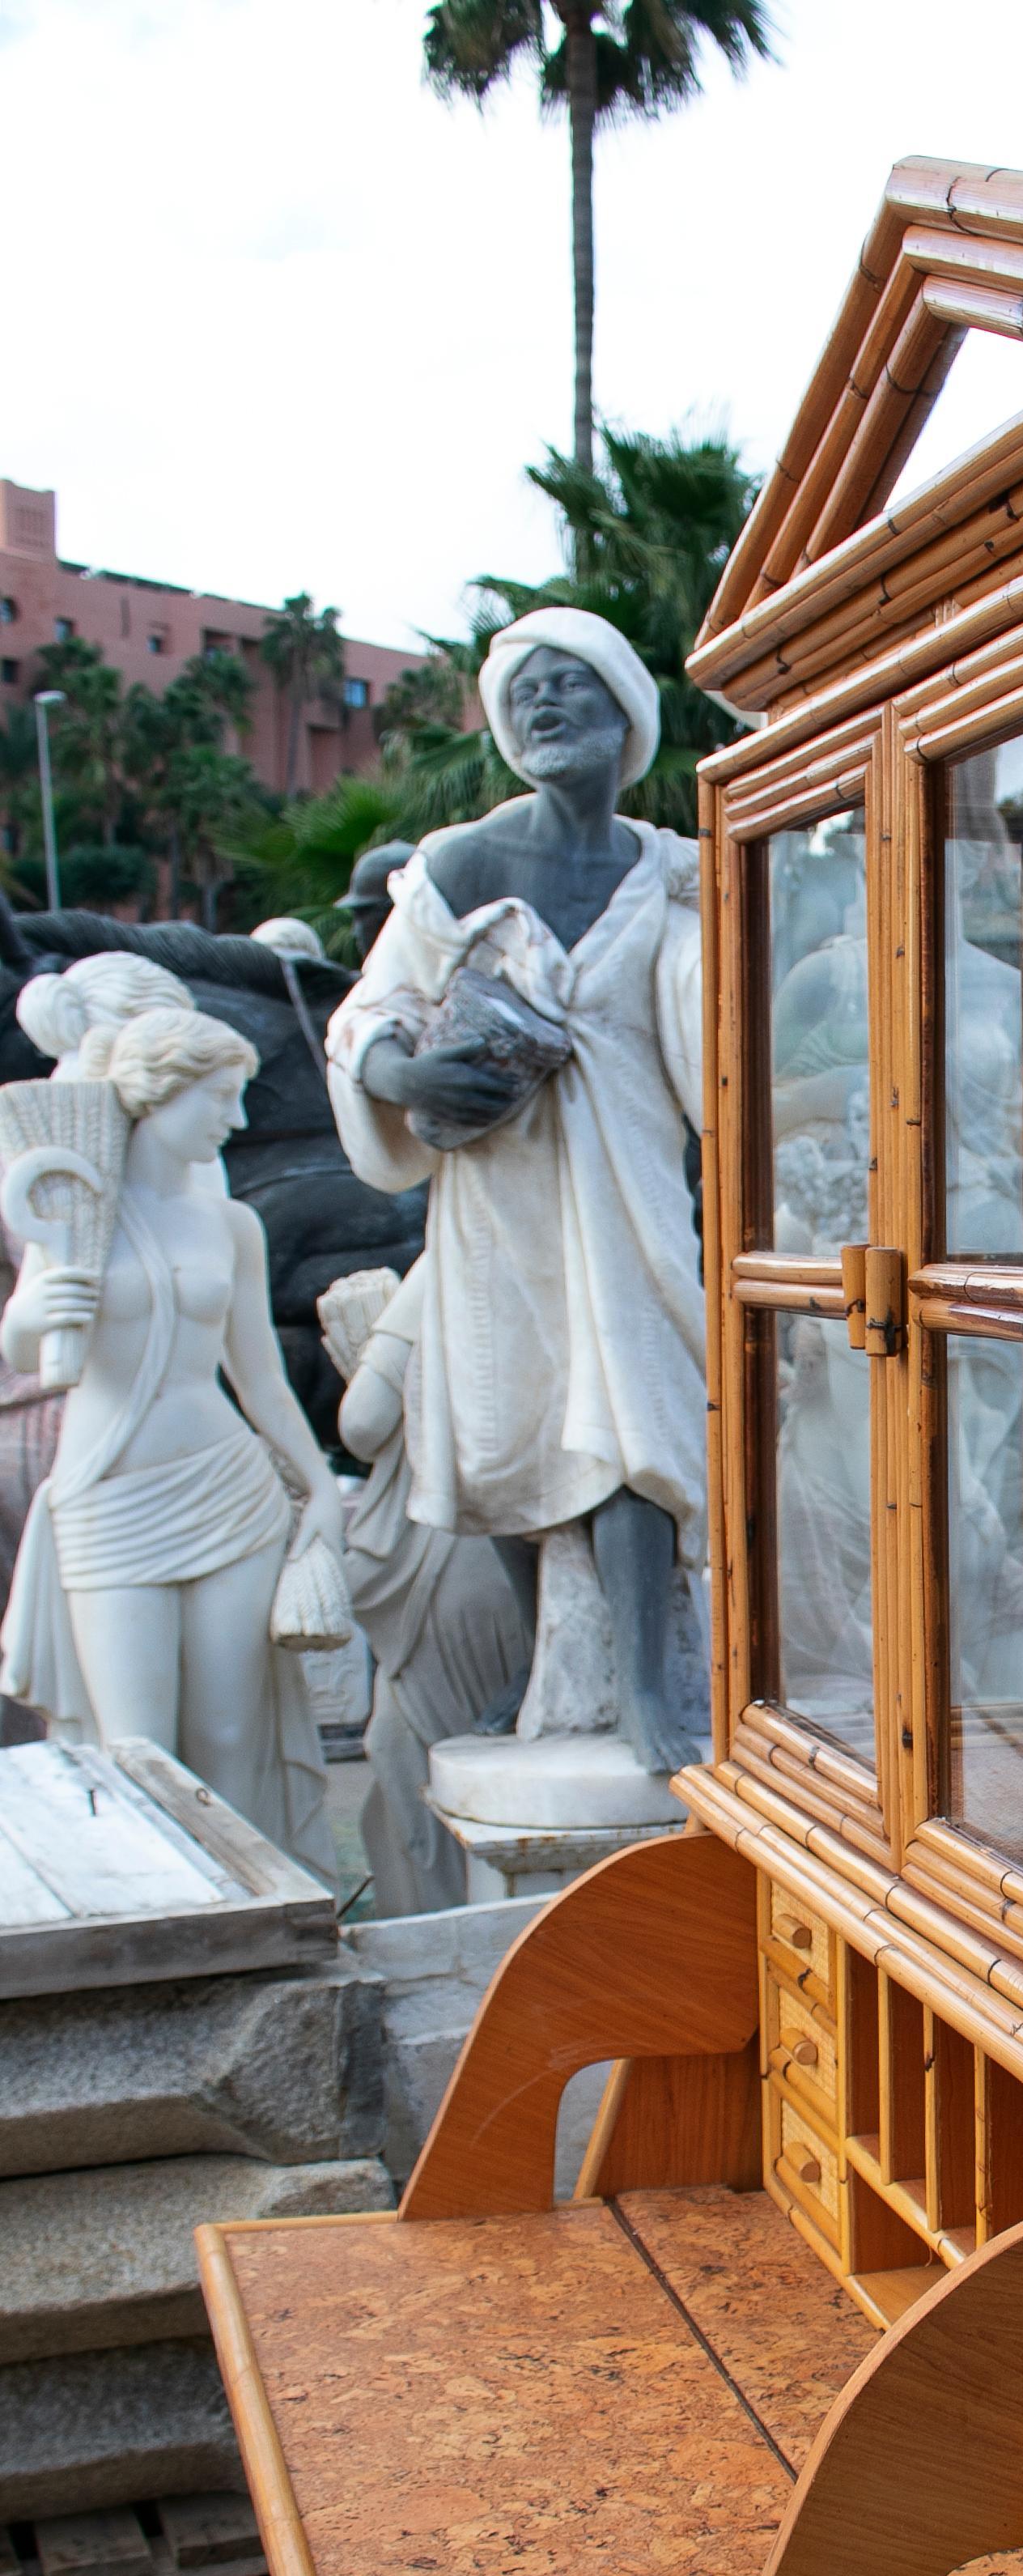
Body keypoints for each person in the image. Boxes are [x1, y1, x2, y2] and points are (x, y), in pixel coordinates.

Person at [325, 610, 707, 1777]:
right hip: (499, 1188)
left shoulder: (669, 866)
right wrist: (407, 1072)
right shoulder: (460, 864)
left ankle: (644, 1687)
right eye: (525, 690)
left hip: (629, 1179)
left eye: (571, 686)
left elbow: (709, 1027)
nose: (545, 706)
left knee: (632, 1404)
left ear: (626, 714)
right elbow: (369, 1017)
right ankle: (548, 1663)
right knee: (507, 1422)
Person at [0, 1009, 341, 1877]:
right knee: (136, 1743)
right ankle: (158, 1906)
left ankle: (246, 1911)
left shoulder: (230, 1225)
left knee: (232, 1733)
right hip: (108, 1492)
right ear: (156, 1094)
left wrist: (321, 1489)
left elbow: (259, 1378)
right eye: (219, 1098)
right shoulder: (73, 1210)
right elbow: (23, 1348)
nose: (235, 1121)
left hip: (228, 1490)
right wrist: (30, 1315)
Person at [320, 1264, 532, 1912]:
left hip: (466, 1552)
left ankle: (458, 1926)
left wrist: (372, 1352)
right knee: (420, 1749)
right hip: (494, 1547)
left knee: (434, 1755)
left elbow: (362, 1423)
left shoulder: (442, 1262)